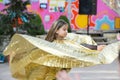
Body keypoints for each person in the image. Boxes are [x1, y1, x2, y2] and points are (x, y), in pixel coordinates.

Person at [3, 19, 120, 80]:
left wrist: (96, 47)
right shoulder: (49, 45)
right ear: (56, 31)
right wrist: (19, 57)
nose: (66, 32)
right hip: (46, 72)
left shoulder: (67, 41)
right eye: (64, 29)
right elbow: (34, 53)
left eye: (67, 29)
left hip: (56, 73)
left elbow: (80, 47)